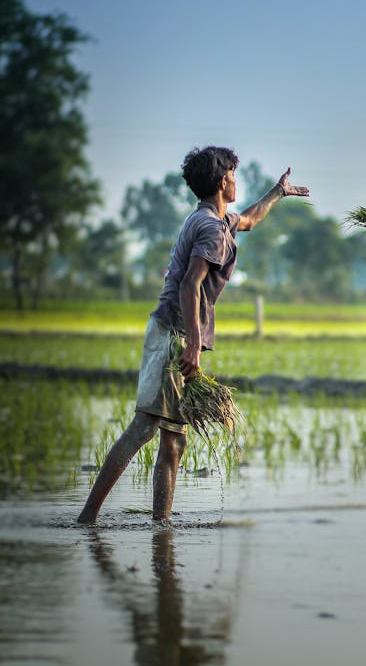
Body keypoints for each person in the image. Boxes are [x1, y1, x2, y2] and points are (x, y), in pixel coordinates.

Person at [78, 146, 309, 523]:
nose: (236, 180)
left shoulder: (211, 219)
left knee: (174, 437)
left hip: (175, 333)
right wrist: (192, 345)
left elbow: (250, 219)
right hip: (174, 335)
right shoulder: (209, 229)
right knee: (144, 429)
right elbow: (190, 284)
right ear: (223, 181)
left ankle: (161, 525)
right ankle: (88, 518)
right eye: (233, 175)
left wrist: (278, 191)